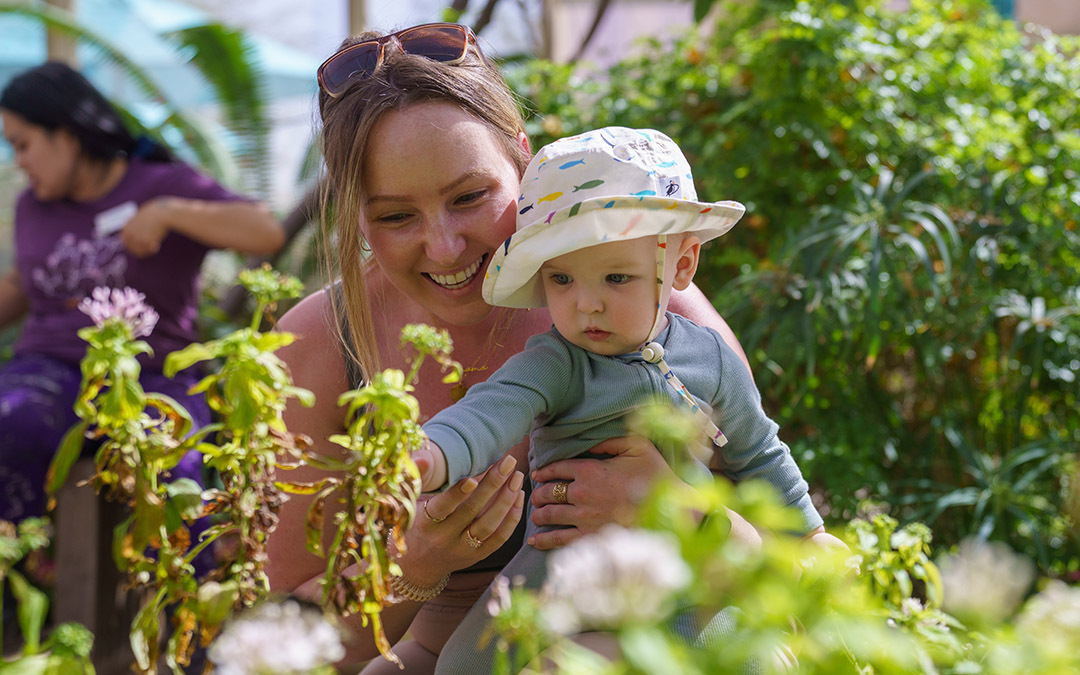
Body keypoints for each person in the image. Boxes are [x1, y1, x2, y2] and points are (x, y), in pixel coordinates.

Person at [265, 23, 792, 674]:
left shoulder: (650, 310)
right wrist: (416, 564)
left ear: (525, 160)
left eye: (469, 197)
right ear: (354, 212)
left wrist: (683, 513)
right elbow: (284, 649)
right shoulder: (323, 345)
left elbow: (791, 560)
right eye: (396, 216)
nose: (445, 247)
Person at [413, 127, 825, 673]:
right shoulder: (557, 362)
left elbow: (759, 453)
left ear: (681, 265)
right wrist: (432, 453)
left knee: (745, 659)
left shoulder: (710, 358)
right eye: (562, 279)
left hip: (678, 566)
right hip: (559, 565)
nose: (587, 304)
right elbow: (491, 409)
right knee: (463, 665)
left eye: (616, 277)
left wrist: (809, 534)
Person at [0, 62, 285, 529]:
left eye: (23, 144)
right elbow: (24, 282)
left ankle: (180, 574)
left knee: (171, 462)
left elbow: (265, 231)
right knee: (11, 421)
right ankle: (17, 561)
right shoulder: (34, 205)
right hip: (48, 368)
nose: (19, 161)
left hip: (154, 371)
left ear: (66, 137)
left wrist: (169, 212)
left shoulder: (164, 183)